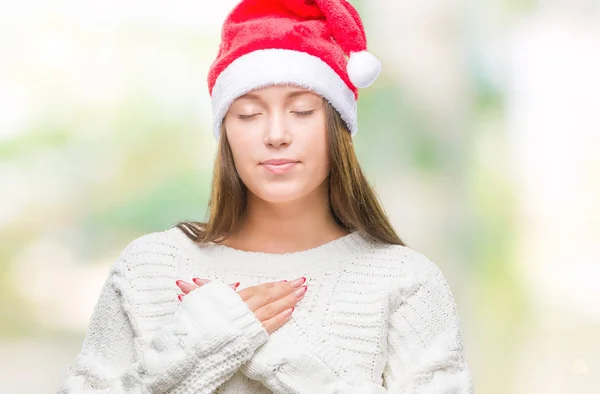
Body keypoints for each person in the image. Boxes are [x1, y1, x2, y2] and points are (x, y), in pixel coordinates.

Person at [57, 0, 473, 393]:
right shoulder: (149, 268)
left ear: (338, 126)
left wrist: (282, 354)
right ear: (227, 134)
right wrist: (198, 346)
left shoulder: (404, 280)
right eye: (250, 114)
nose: (276, 135)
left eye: (302, 111)